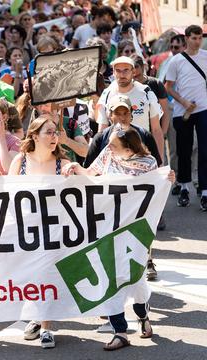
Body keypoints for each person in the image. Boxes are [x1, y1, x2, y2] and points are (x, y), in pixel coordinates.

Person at [62, 125, 175, 351]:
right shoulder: (108, 155)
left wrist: (168, 178)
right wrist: (76, 167)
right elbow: (90, 174)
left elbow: (156, 187)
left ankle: (143, 314)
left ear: (129, 148)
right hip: (107, 227)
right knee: (109, 278)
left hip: (134, 230)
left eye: (113, 145)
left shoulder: (148, 164)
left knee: (136, 279)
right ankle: (120, 331)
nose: (108, 148)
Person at [5, 115, 71, 349]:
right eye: (49, 132)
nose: (54, 137)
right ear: (34, 135)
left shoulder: (61, 163)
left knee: (46, 275)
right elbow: (8, 192)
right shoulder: (20, 161)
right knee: (31, 276)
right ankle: (36, 316)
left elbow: (91, 180)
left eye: (56, 132)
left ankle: (46, 326)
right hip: (27, 230)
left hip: (54, 230)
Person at [164, 25, 207, 211]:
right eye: (194, 38)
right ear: (187, 39)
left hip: (204, 109)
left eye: (200, 38)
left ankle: (205, 191)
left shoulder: (206, 56)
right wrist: (183, 101)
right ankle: (184, 187)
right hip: (183, 111)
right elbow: (168, 87)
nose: (197, 42)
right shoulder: (176, 61)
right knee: (184, 150)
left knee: (205, 150)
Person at [97, 56, 164, 160]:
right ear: (113, 72)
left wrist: (160, 160)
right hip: (116, 158)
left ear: (133, 72)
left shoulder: (146, 92)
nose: (122, 75)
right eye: (118, 71)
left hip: (143, 155)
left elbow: (156, 130)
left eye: (126, 70)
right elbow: (102, 132)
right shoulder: (107, 94)